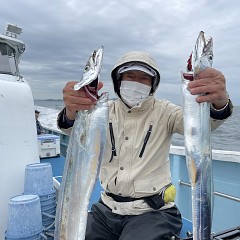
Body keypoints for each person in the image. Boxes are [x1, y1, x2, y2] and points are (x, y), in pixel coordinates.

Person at [57, 51, 233, 239]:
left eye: (144, 78)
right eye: (130, 76)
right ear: (118, 81)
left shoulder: (165, 111)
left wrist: (219, 103)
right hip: (106, 209)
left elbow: (200, 124)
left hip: (153, 212)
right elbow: (74, 131)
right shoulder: (101, 111)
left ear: (153, 84)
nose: (136, 83)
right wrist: (72, 110)